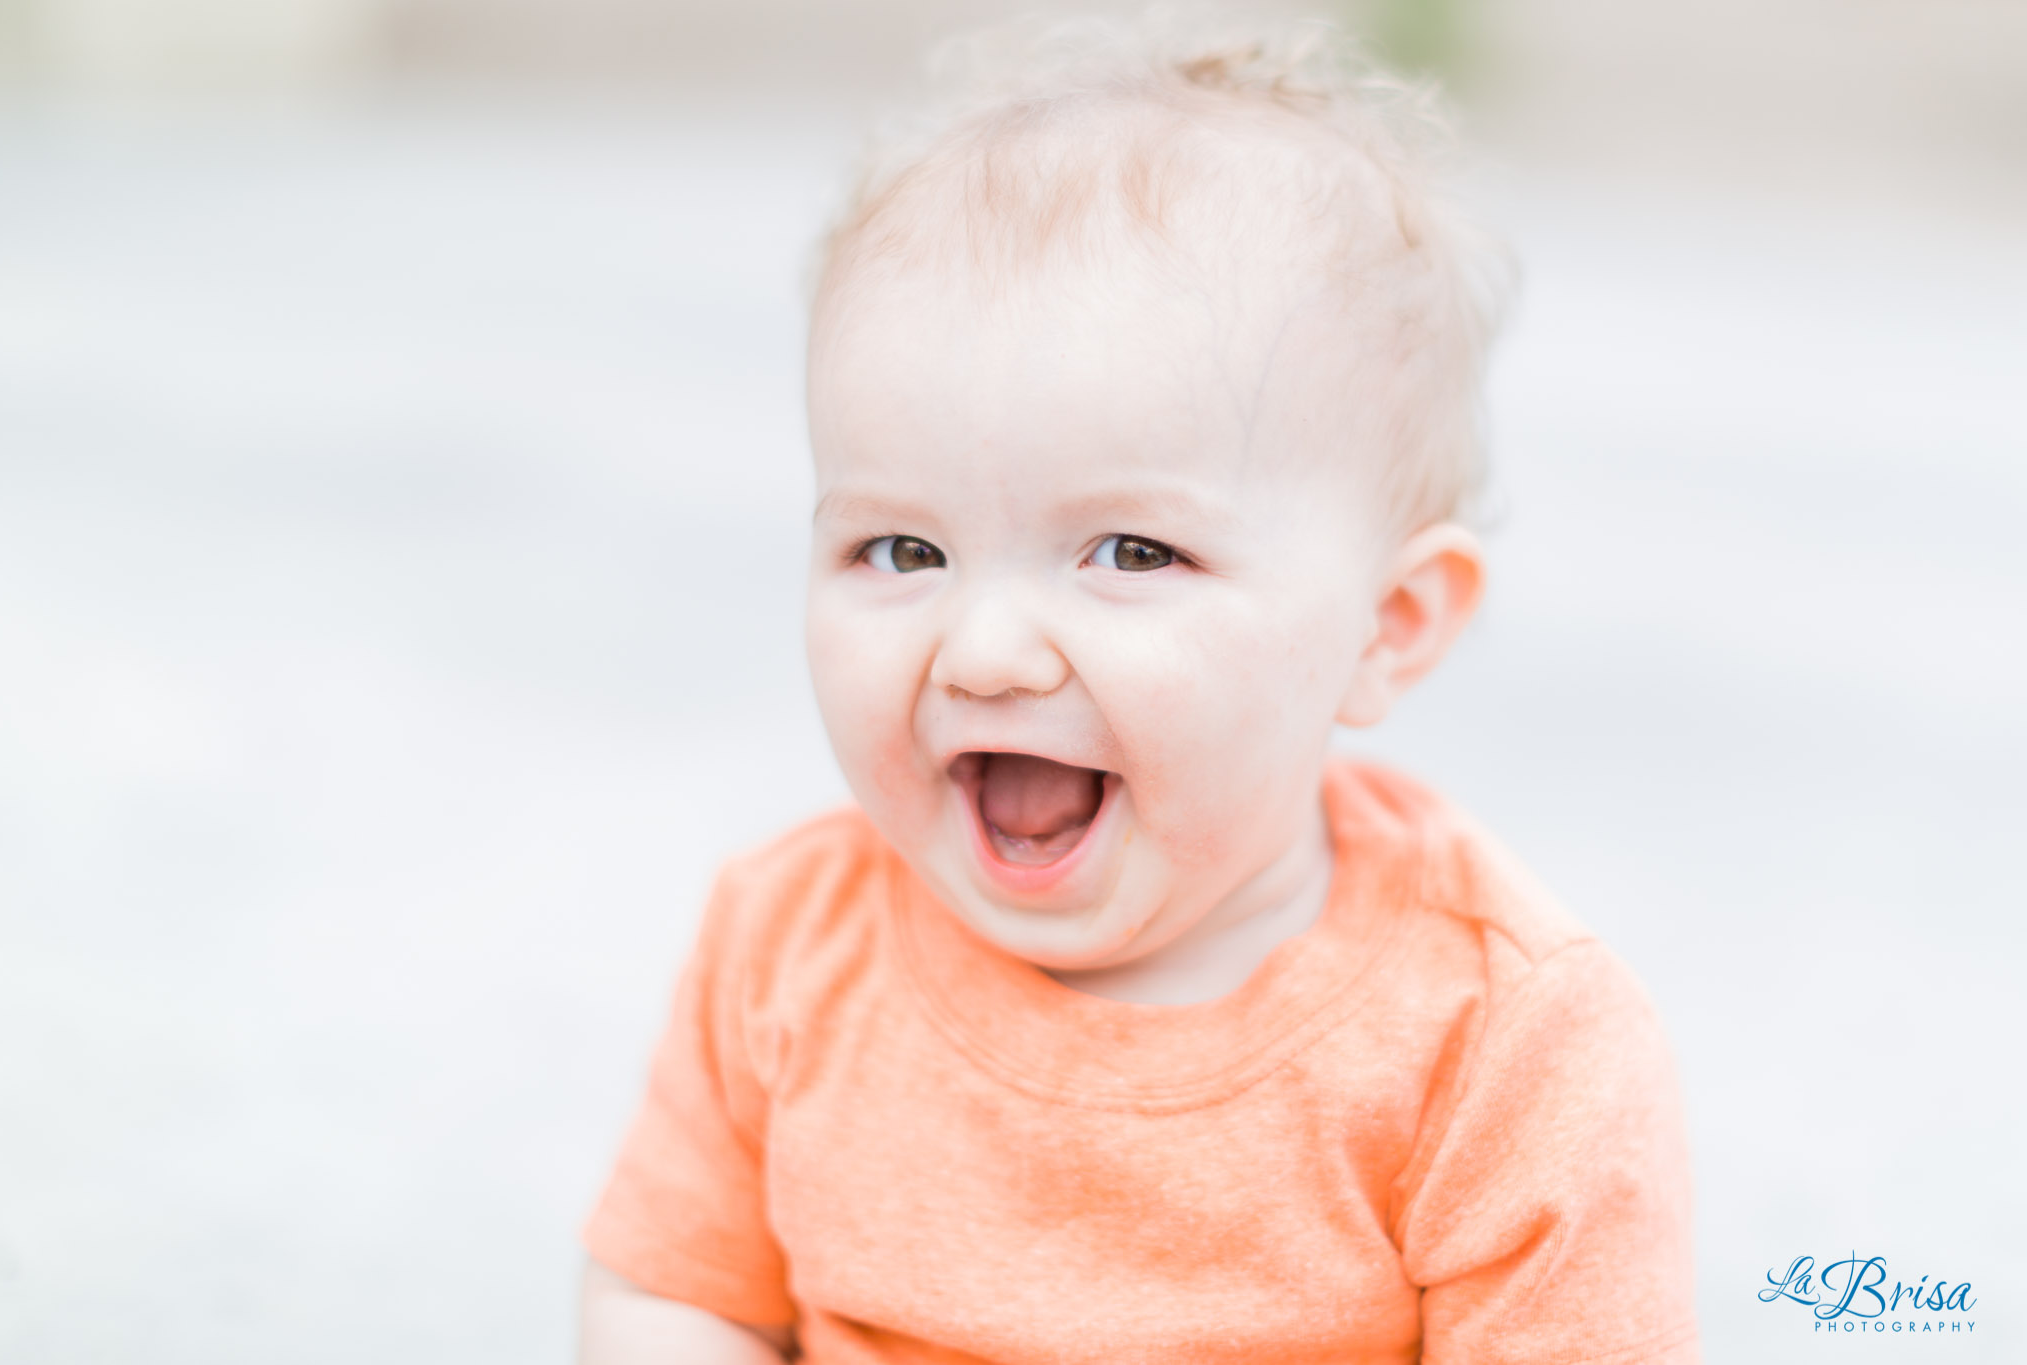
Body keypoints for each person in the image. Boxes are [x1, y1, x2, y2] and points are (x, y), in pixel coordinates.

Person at [578, 14, 1697, 1363]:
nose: (985, 649)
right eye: (903, 548)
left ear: (1385, 628)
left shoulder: (1506, 1043)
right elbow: (674, 1292)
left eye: (1131, 551)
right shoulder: (786, 943)